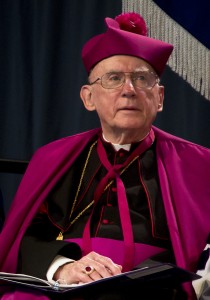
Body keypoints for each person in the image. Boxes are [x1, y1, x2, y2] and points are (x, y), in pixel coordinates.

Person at [0, 11, 210, 300]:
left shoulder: (200, 164)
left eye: (142, 79)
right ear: (88, 97)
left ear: (159, 98)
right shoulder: (52, 158)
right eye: (113, 78)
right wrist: (62, 268)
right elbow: (24, 238)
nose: (129, 90)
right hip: (62, 290)